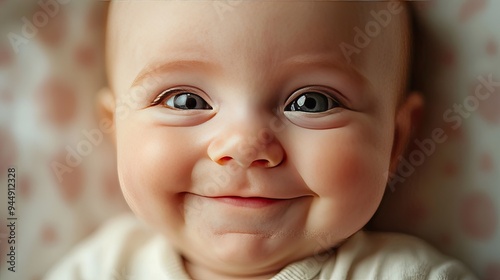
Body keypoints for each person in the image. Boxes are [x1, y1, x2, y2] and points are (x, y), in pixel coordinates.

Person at [45, 1, 477, 279]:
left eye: (310, 102)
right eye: (184, 100)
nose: (245, 146)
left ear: (396, 141)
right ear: (116, 130)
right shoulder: (100, 267)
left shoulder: (408, 274)